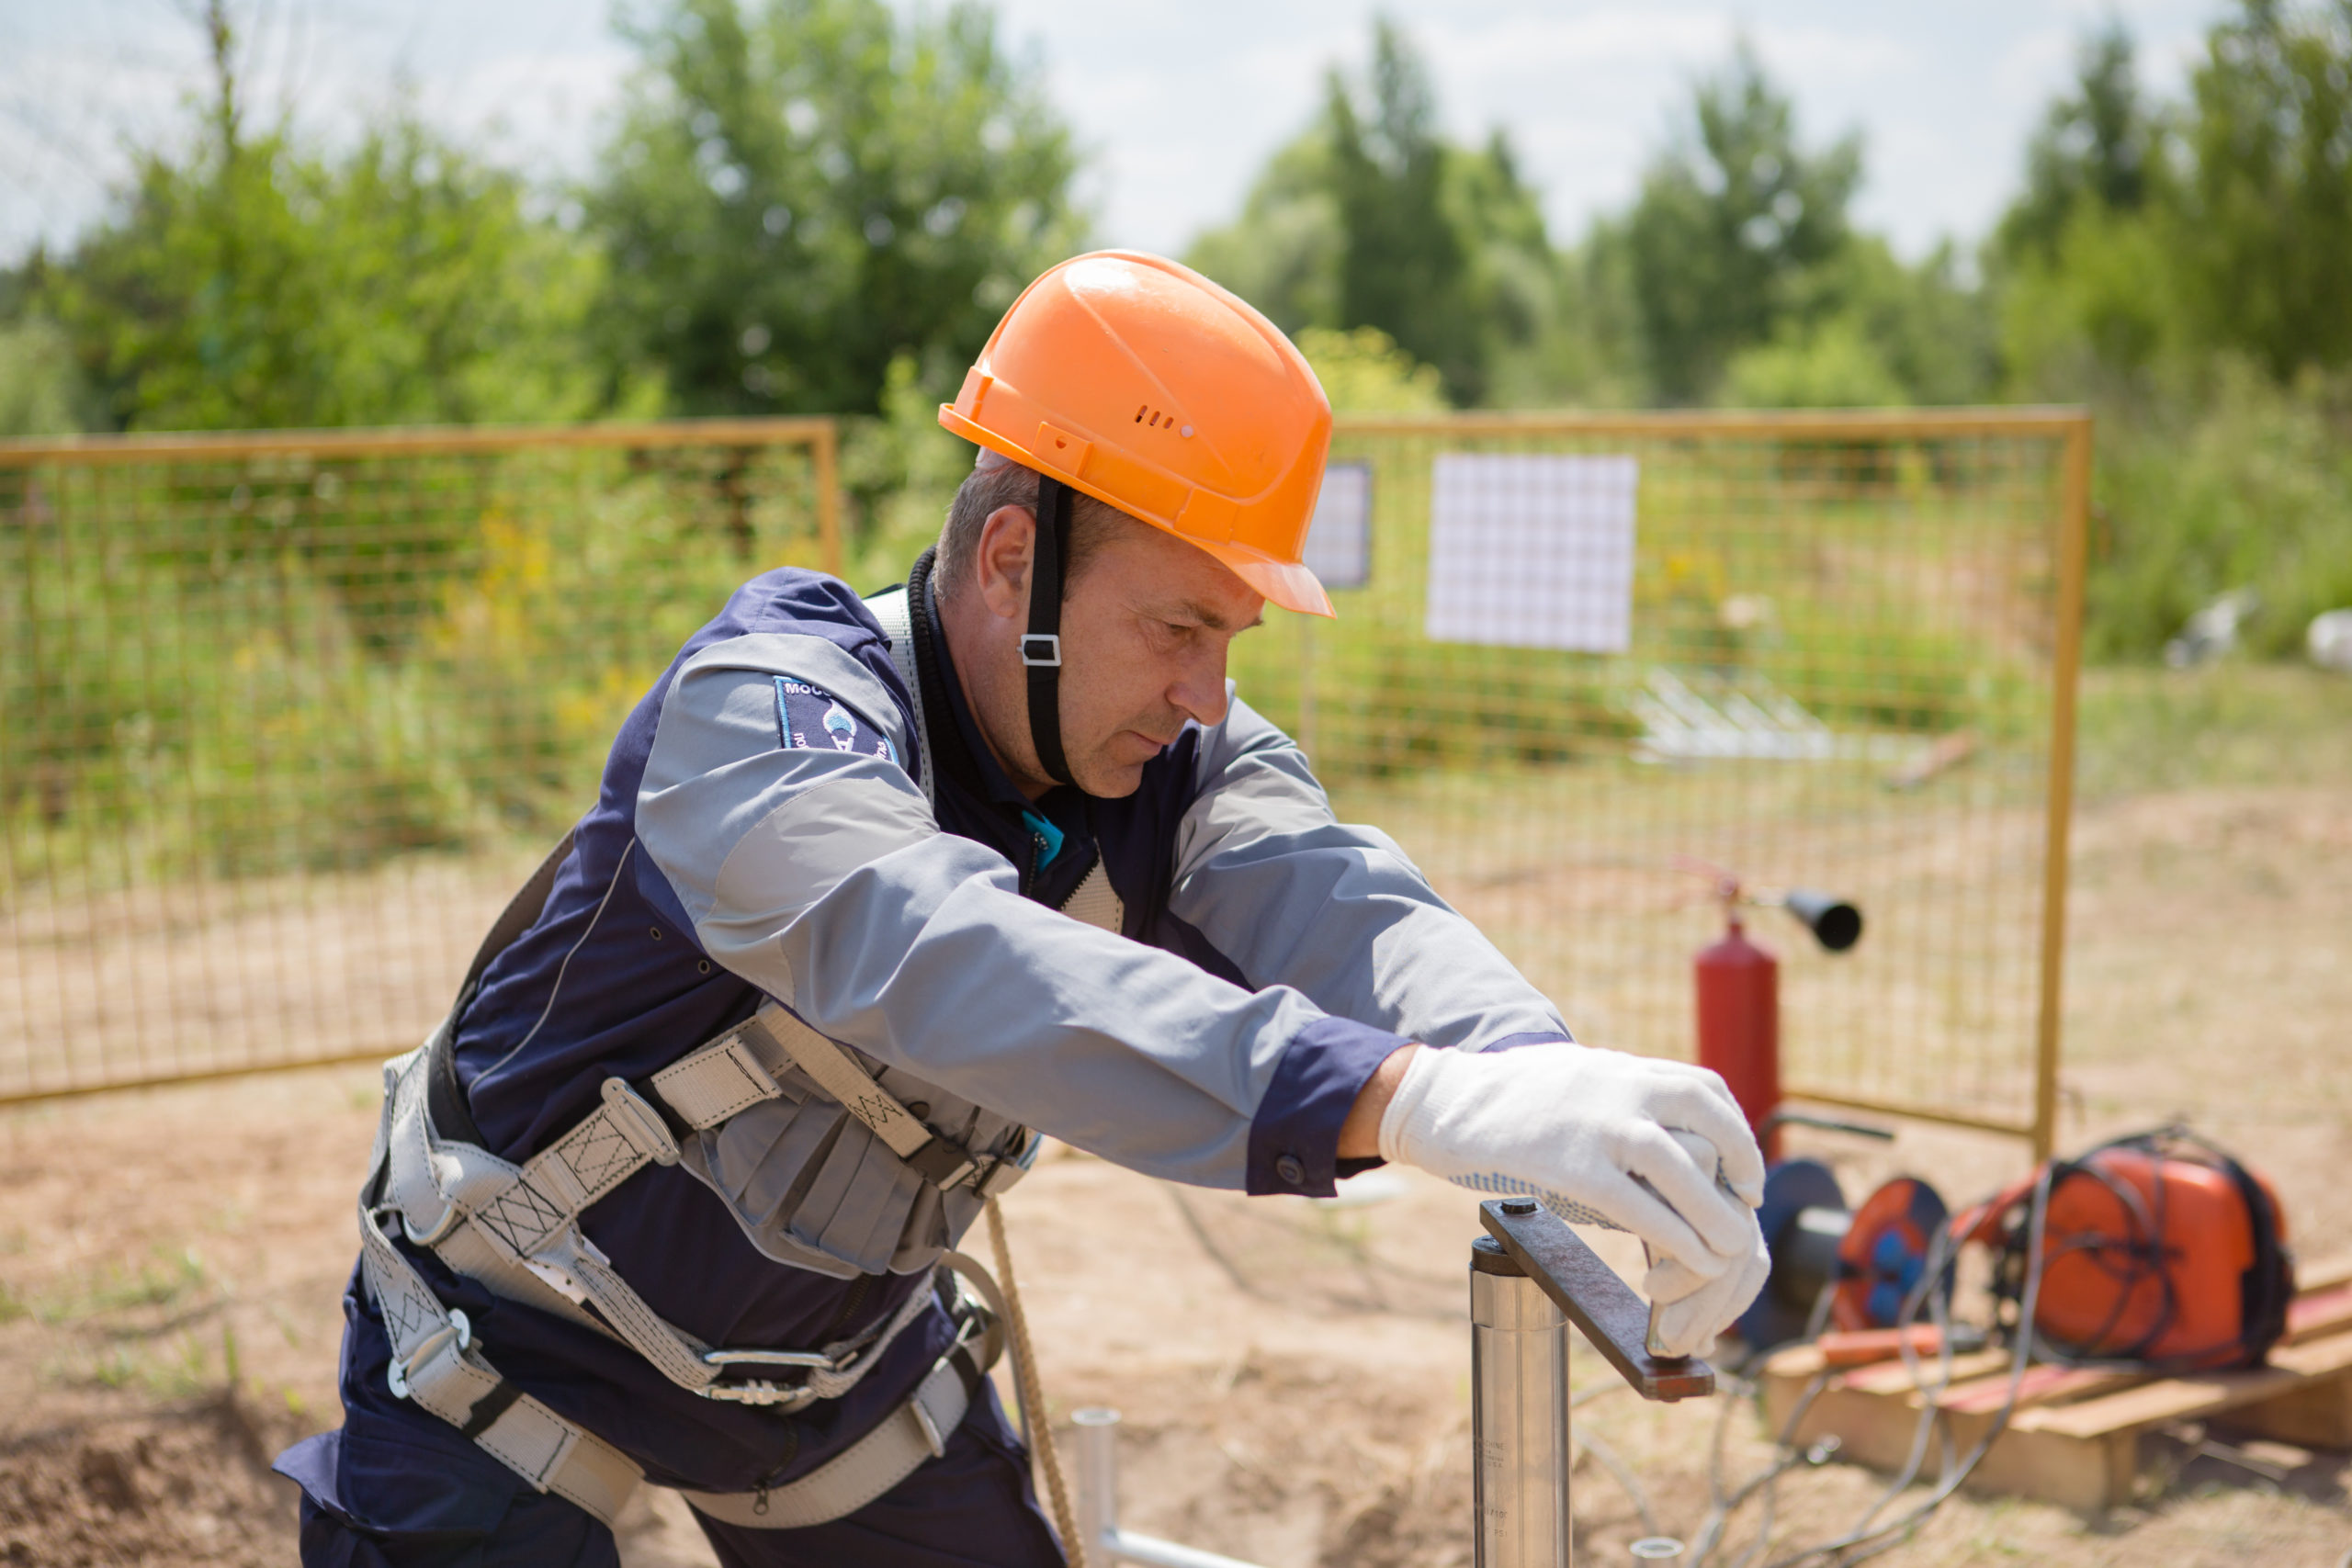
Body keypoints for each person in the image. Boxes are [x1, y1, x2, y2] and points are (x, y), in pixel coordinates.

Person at [275, 251, 1770, 1568]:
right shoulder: (766, 714)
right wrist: (1404, 1100)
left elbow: (1331, 897)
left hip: (832, 1390)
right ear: (1011, 562)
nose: (1207, 689)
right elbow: (938, 955)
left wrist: (1529, 1073)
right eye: (1179, 624)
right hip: (505, 1367)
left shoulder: (1177, 755)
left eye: (1232, 635)